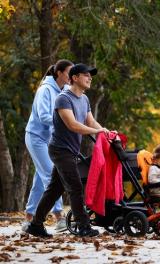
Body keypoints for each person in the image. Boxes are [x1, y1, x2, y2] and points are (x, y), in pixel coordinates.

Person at [25, 63, 109, 238]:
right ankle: (83, 226)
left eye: (90, 75)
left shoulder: (84, 99)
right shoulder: (63, 98)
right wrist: (96, 131)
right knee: (75, 187)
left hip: (70, 150)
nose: (90, 78)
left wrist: (105, 131)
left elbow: (91, 122)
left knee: (54, 189)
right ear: (75, 78)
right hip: (59, 150)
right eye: (86, 75)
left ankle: (35, 225)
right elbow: (72, 125)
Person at [23, 59, 74, 232]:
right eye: (69, 73)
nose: (71, 77)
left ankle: (29, 217)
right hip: (36, 137)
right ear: (59, 73)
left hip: (52, 138)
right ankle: (59, 216)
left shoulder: (65, 90)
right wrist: (63, 122)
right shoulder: (44, 89)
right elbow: (42, 115)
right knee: (51, 174)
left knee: (40, 179)